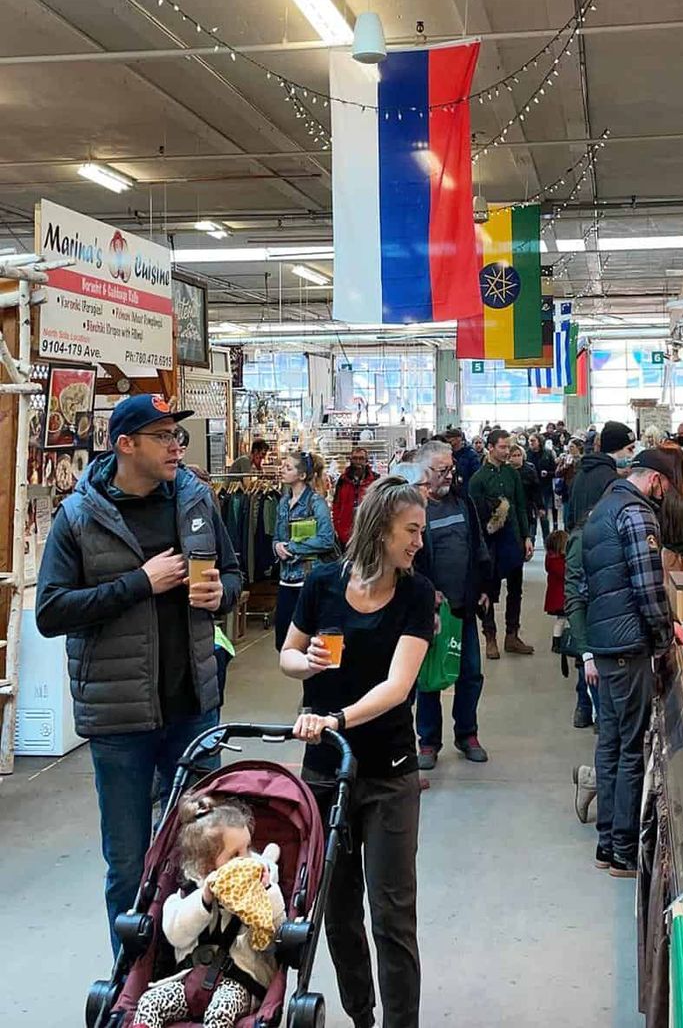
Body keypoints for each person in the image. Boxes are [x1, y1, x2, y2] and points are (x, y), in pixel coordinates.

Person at [35, 394, 243, 949]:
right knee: (129, 864)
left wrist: (223, 593)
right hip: (120, 719)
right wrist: (139, 584)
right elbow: (50, 611)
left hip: (194, 710)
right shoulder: (79, 517)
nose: (176, 446)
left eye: (178, 435)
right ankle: (131, 975)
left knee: (205, 855)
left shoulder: (196, 500)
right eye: (163, 436)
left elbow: (233, 573)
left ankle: (196, 973)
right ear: (125, 445)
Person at [281, 477, 435, 1028]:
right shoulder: (322, 583)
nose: (418, 542)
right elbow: (287, 655)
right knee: (338, 912)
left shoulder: (416, 594)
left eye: (420, 531)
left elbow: (398, 687)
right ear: (380, 529)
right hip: (325, 772)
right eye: (411, 530)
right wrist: (307, 663)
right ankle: (361, 1015)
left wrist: (337, 719)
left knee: (393, 916)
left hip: (389, 773)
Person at [581, 448, 683, 879]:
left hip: (606, 642)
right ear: (655, 479)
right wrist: (664, 639)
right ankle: (623, 851)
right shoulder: (638, 514)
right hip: (629, 646)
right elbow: (648, 586)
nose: (664, 495)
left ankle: (607, 843)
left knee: (610, 744)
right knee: (629, 749)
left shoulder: (603, 508)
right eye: (666, 487)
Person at [131, 793, 285, 1028]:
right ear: (205, 866)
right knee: (149, 1003)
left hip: (240, 981)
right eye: (235, 855)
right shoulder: (186, 893)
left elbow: (274, 933)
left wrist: (266, 892)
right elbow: (176, 935)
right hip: (188, 979)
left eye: (248, 848)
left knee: (220, 1012)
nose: (246, 859)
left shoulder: (261, 887)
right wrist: (204, 898)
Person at [411, 440, 492, 767]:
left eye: (451, 469)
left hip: (464, 607)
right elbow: (408, 560)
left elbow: (478, 546)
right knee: (429, 678)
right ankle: (428, 742)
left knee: (470, 673)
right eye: (442, 470)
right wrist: (425, 593)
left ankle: (467, 733)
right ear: (423, 471)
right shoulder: (414, 509)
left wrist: (484, 586)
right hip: (428, 612)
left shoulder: (463, 502)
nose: (449, 476)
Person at [469, 428, 534, 659]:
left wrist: (526, 536)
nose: (507, 452)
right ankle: (490, 637)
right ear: (490, 447)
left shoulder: (512, 474)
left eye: (509, 447)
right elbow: (474, 517)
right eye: (503, 447)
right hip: (489, 542)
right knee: (488, 589)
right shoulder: (477, 479)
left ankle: (512, 635)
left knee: (516, 589)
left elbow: (521, 506)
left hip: (512, 539)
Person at [272, 451, 335, 651]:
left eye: (288, 467)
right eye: (283, 466)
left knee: (309, 640)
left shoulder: (316, 502)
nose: (282, 470)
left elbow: (326, 539)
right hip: (286, 578)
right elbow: (277, 536)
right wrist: (277, 547)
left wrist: (291, 548)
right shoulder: (283, 502)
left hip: (308, 577)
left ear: (301, 475)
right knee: (283, 640)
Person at [566, 420, 636, 532]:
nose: (632, 455)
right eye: (630, 449)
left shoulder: (580, 474)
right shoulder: (613, 480)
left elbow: (570, 516)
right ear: (615, 448)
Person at [332, 446, 378, 548]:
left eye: (361, 458)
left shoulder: (375, 480)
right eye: (355, 458)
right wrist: (338, 528)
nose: (358, 462)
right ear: (350, 460)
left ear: (366, 461)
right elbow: (336, 505)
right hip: (345, 534)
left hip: (368, 533)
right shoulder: (342, 480)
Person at [510, 442, 542, 545]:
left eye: (519, 455)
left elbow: (536, 490)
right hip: (512, 508)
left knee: (529, 534)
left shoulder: (529, 471)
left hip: (527, 507)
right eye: (514, 455)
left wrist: (540, 506)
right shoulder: (506, 471)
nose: (517, 458)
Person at [527, 432, 558, 537]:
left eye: (533, 440)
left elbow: (555, 471)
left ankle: (546, 538)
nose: (531, 443)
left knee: (543, 515)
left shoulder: (548, 454)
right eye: (529, 441)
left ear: (539, 441)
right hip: (531, 488)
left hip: (545, 487)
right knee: (532, 516)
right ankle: (531, 539)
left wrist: (547, 473)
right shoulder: (527, 454)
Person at [443, 426, 482, 493]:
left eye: (451, 438)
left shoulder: (471, 455)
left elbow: (477, 476)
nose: (448, 440)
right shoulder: (448, 454)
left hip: (466, 492)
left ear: (458, 438)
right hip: (450, 492)